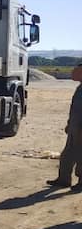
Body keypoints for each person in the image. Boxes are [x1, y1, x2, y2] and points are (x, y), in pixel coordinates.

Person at [48, 62, 82, 191]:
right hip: (75, 127)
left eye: (77, 70)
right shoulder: (80, 88)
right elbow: (75, 110)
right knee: (67, 154)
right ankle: (64, 179)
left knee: (80, 155)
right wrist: (69, 124)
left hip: (80, 128)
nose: (73, 73)